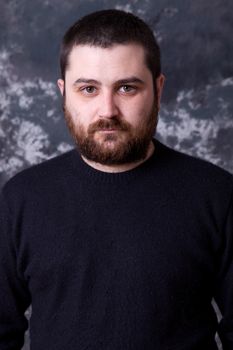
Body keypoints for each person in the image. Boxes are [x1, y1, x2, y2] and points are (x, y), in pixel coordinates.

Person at [0, 9, 232, 350]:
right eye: (89, 89)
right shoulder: (21, 199)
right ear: (64, 92)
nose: (107, 110)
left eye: (126, 88)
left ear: (158, 88)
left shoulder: (217, 195)